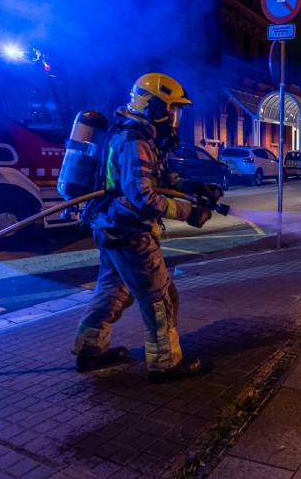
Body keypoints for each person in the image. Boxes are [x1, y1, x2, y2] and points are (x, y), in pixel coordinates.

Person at [72, 72, 219, 380]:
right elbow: (144, 198)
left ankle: (89, 349)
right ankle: (165, 364)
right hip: (129, 231)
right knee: (161, 298)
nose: (175, 118)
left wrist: (192, 187)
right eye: (173, 109)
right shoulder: (134, 140)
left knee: (112, 291)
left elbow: (159, 178)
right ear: (154, 105)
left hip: (111, 226)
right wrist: (190, 213)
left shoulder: (137, 136)